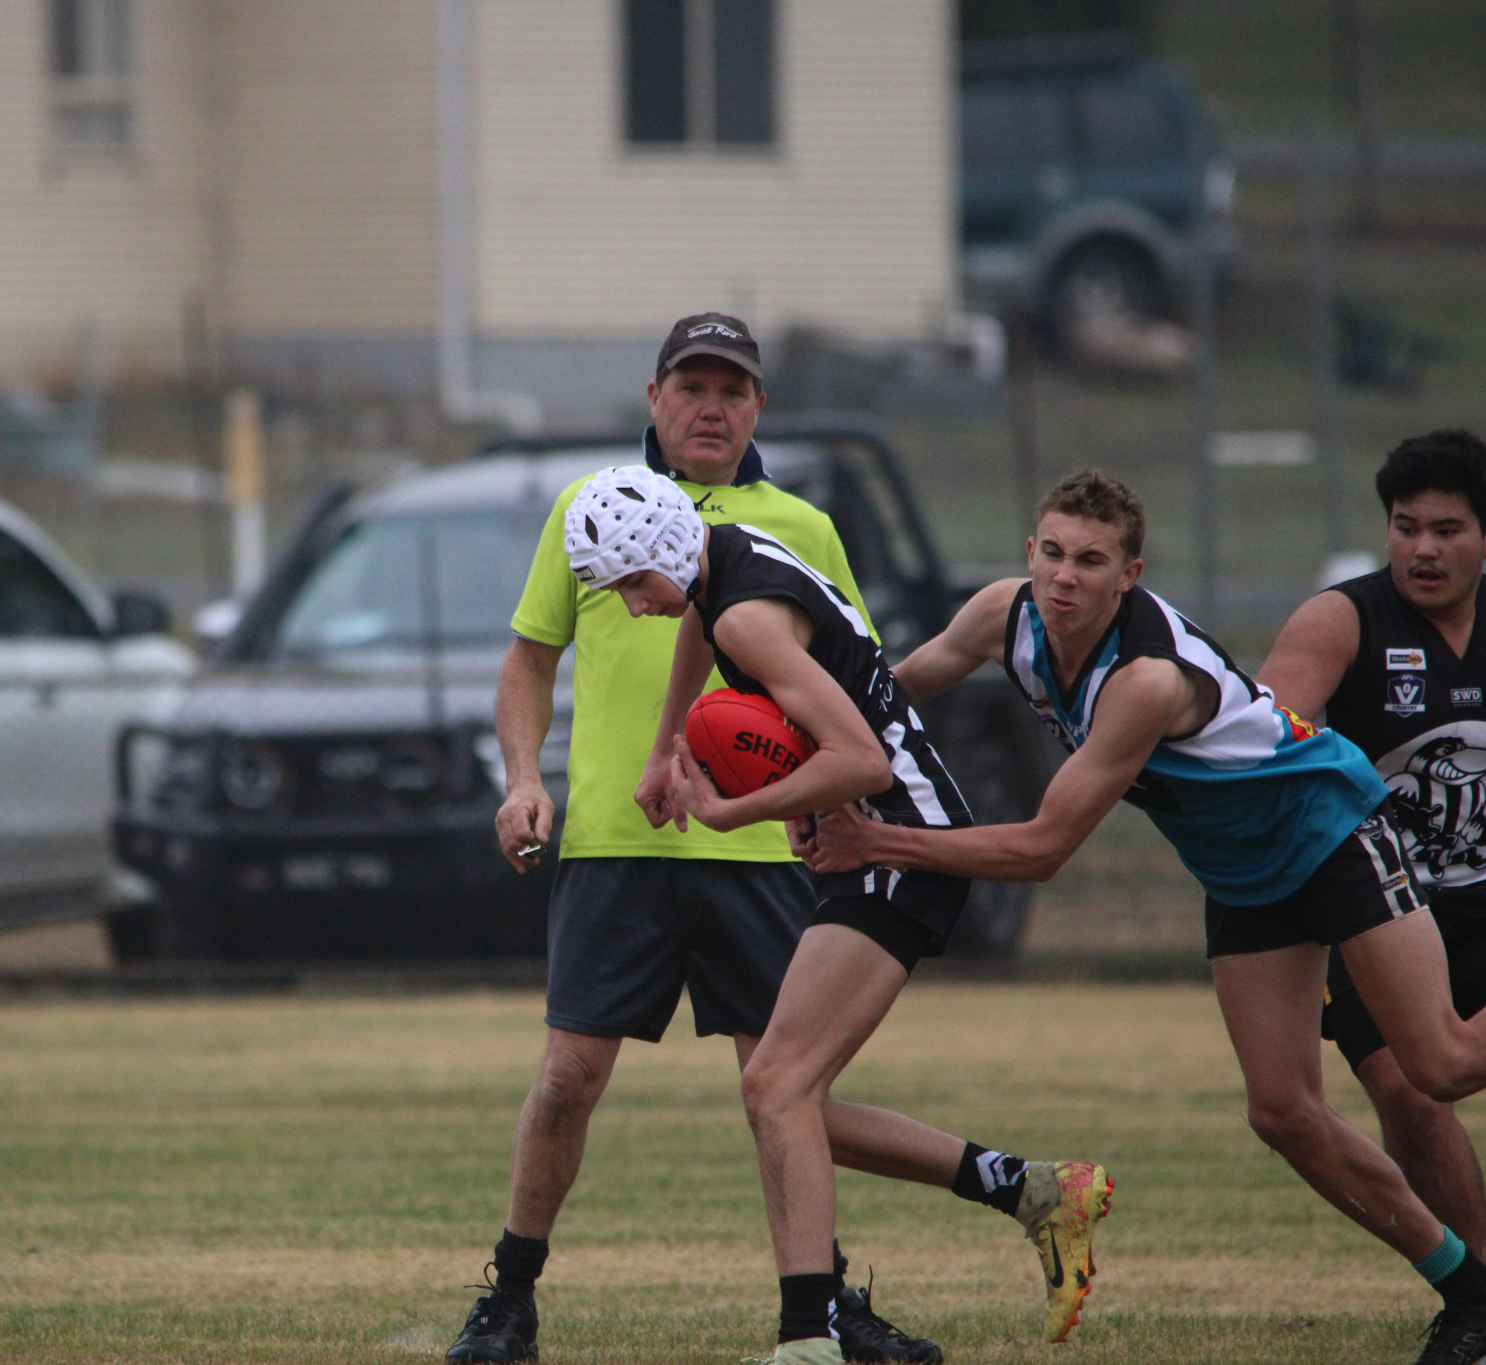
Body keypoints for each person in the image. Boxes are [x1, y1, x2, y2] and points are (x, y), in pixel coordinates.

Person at [447, 314, 1107, 1365]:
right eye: (690, 385)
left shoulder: (789, 527)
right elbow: (632, 640)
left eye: (732, 389)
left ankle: (818, 1320)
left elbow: (855, 717)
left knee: (783, 1094)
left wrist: (734, 806)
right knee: (626, 1082)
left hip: (805, 848)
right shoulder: (609, 518)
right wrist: (626, 762)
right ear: (653, 396)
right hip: (622, 845)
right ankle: (516, 1300)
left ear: (757, 404)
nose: (710, 406)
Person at [809, 467, 1486, 1365]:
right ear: (1029, 553)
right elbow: (895, 689)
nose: (1065, 578)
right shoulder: (1002, 614)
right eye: (1052, 553)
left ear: (1130, 574)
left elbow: (1044, 849)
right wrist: (800, 732)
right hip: (1243, 872)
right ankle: (1470, 1290)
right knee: (1282, 1112)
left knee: (1437, 1064)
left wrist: (876, 841)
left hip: (1330, 833)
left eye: (1091, 561)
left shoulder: (1146, 681)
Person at [569, 466, 1113, 1365]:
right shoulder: (725, 563)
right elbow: (700, 628)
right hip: (874, 838)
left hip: (900, 841)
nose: (633, 606)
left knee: (775, 1086)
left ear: (665, 550)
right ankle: (1034, 1191)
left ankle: (809, 1338)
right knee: (786, 1093)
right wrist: (669, 747)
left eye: (633, 584)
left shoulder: (741, 609)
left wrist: (731, 809)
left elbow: (859, 758)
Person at [1258, 429, 1486, 1261]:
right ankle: (1481, 1290)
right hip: (1381, 907)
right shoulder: (1340, 621)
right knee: (1407, 1090)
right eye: (1405, 525)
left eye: (1447, 529)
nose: (1422, 548)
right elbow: (1266, 749)